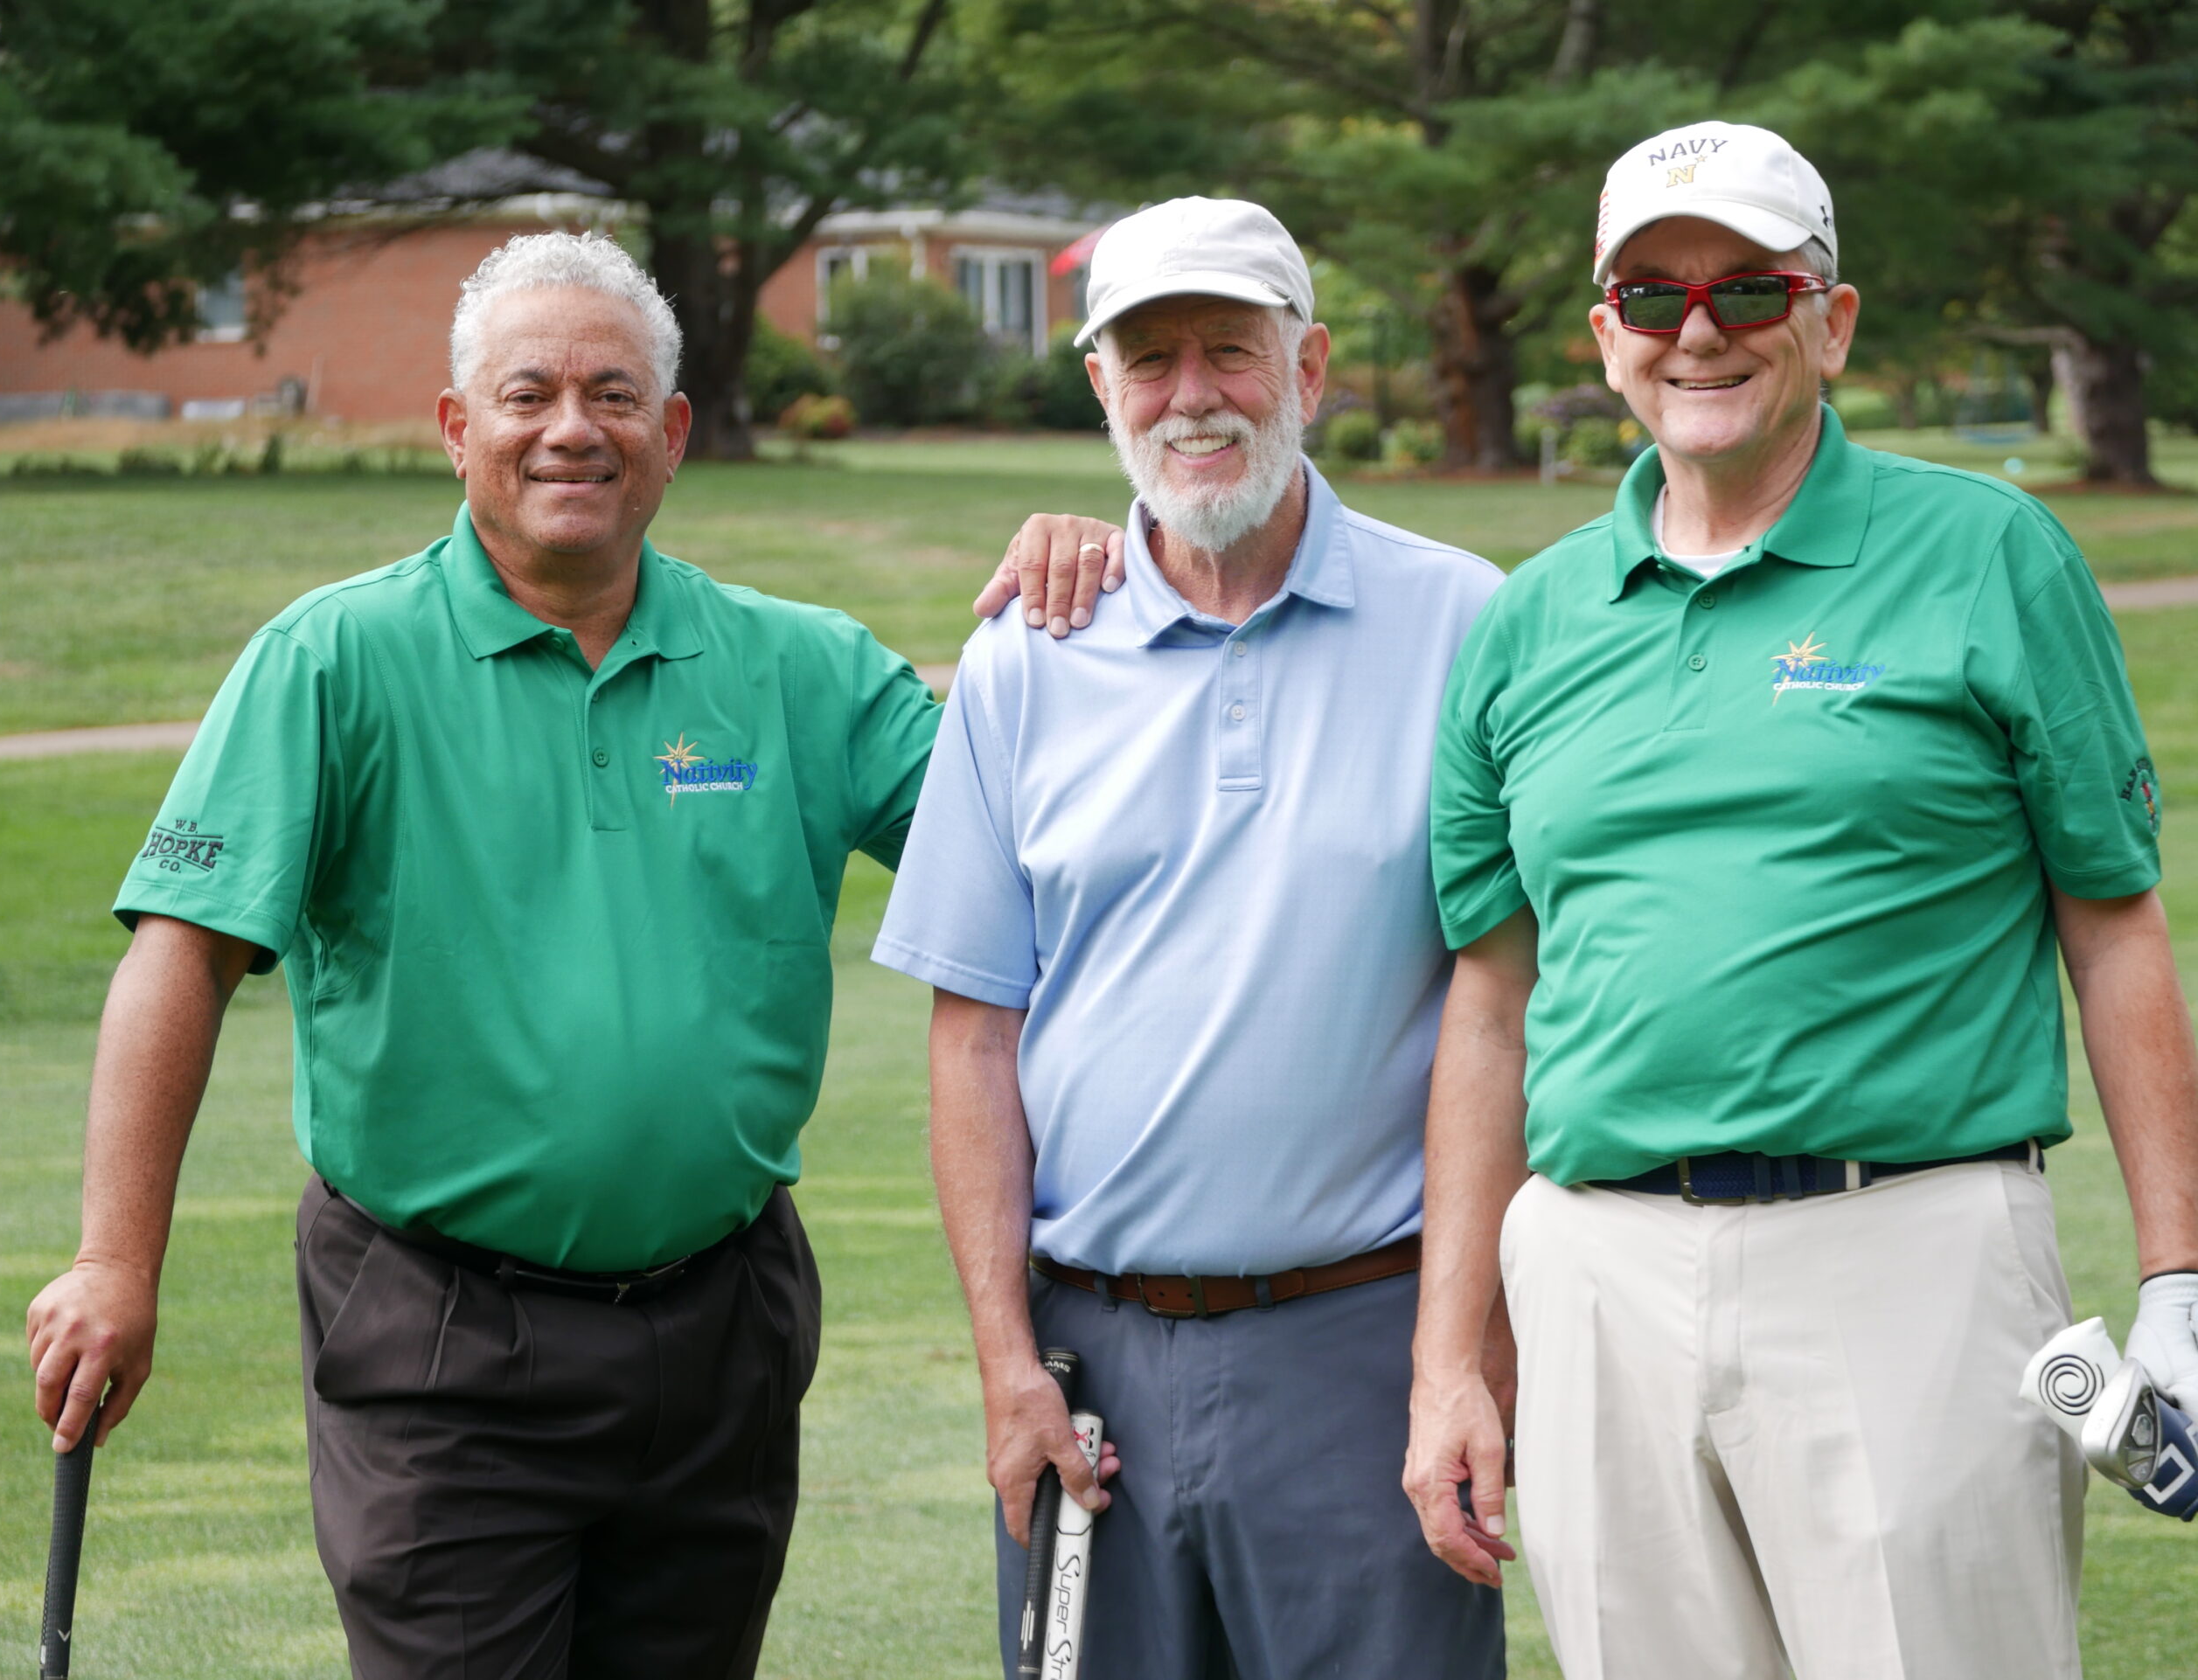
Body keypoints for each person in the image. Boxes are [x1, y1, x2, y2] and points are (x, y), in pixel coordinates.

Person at [19, 228, 1116, 1680]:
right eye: (527, 394)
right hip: (439, 1335)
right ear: (458, 431)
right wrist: (116, 1258)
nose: (569, 429)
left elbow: (1062, 856)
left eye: (612, 395)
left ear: (669, 436)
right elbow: (179, 959)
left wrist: (1116, 579)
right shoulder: (330, 661)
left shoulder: (800, 668)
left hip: (724, 1322)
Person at [1406, 121, 2198, 1680]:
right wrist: (1450, 1360)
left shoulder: (1989, 554)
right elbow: (1492, 1003)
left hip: (1911, 1243)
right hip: (1594, 1270)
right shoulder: (1529, 621)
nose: (1698, 330)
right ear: (1606, 338)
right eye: (1653, 296)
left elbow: (2112, 928)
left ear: (1830, 322)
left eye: (1749, 291)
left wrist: (2181, 1279)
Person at [873, 197, 1511, 1680]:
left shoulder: (1465, 623)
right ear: (1100, 386)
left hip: (1368, 1347)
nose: (1194, 393)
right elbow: (975, 1037)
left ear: (1312, 369)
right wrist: (1005, 1365)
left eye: (1233, 348)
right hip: (1090, 1369)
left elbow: (1510, 1001)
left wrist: (1469, 1355)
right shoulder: (1024, 654)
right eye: (1149, 358)